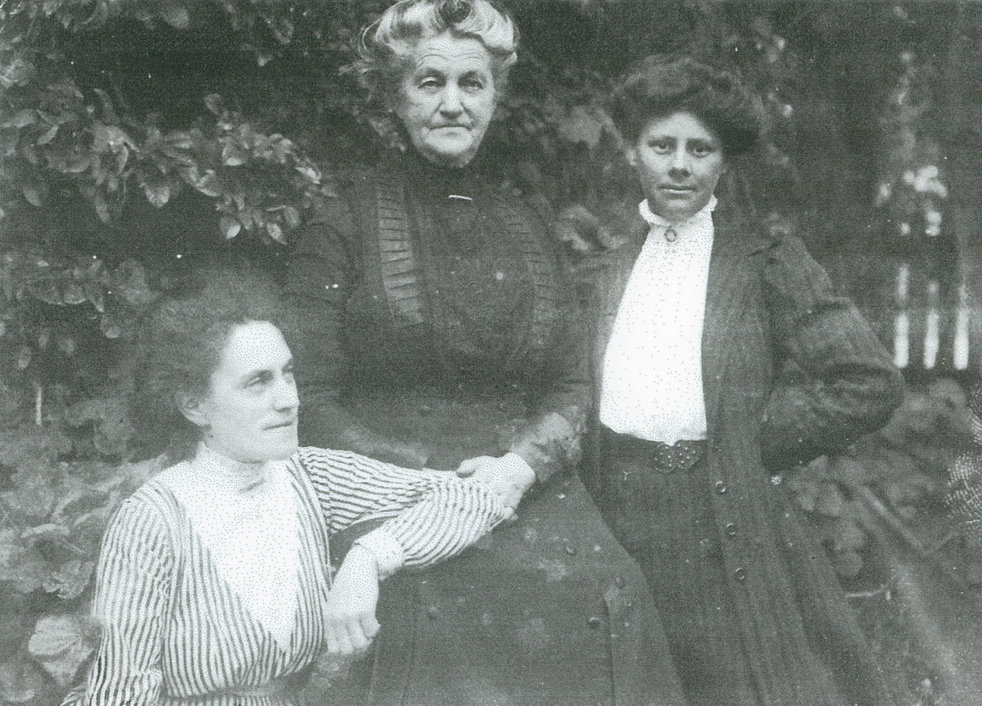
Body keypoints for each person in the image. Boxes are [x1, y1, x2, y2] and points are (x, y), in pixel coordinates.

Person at [285, 1, 682, 703]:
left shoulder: (527, 224)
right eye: (429, 83)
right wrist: (426, 479)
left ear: (495, 97)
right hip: (389, 487)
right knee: (430, 606)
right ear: (394, 96)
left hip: (516, 483)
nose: (452, 104)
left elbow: (570, 383)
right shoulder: (340, 224)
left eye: (472, 85)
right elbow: (307, 403)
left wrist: (522, 467)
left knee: (611, 586)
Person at [589, 54, 907, 705]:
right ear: (633, 152)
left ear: (723, 163)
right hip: (615, 521)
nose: (679, 164)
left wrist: (749, 438)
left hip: (716, 521)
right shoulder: (604, 270)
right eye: (662, 145)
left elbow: (868, 382)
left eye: (699, 149)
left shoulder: (764, 258)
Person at [61, 269, 512, 706]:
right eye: (259, 381)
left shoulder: (311, 477)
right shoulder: (152, 521)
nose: (290, 399)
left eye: (289, 373)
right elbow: (119, 696)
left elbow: (478, 493)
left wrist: (369, 557)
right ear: (194, 405)